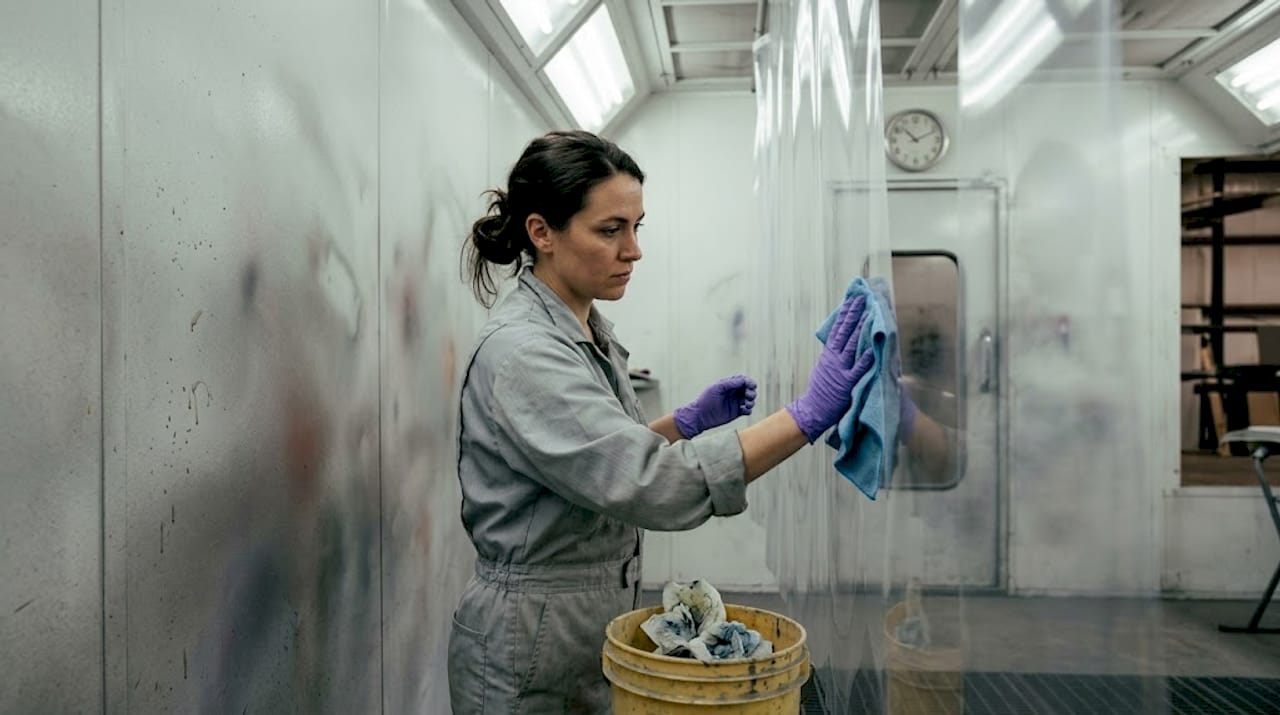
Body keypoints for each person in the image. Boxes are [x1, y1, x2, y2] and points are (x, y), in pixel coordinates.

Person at [447, 129, 928, 713]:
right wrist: (804, 417)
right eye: (609, 230)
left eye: (636, 226)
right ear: (542, 232)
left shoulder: (579, 329)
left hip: (572, 623)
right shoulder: (525, 353)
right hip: (529, 639)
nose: (633, 250)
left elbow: (589, 466)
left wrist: (680, 424)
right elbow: (652, 486)